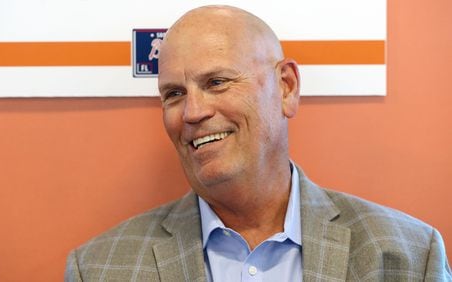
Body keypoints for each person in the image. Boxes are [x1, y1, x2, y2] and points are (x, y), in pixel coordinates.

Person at [65, 5, 451, 281]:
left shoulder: (409, 257)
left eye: (217, 82)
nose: (192, 112)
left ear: (286, 88)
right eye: (173, 94)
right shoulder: (98, 268)